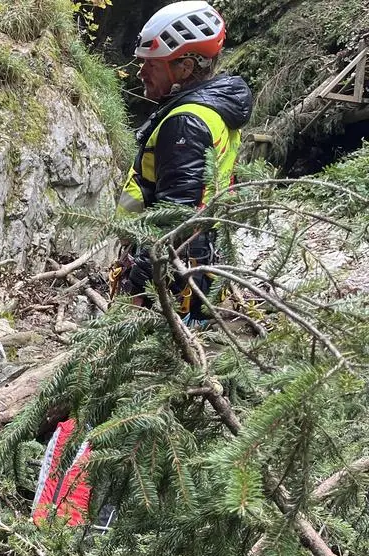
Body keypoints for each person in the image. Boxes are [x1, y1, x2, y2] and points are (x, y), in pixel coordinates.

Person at [111, 0, 251, 318]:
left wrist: (139, 291)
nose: (141, 72)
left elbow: (173, 216)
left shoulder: (186, 120)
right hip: (197, 265)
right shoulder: (216, 110)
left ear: (184, 67)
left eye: (152, 64)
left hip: (169, 277)